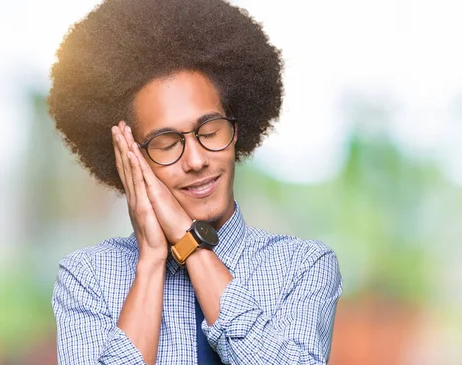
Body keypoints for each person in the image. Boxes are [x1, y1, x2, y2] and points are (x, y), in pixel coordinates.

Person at [49, 0, 342, 364]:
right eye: (168, 144)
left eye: (210, 130)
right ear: (131, 160)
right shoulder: (87, 277)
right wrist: (152, 261)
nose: (197, 160)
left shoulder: (302, 266)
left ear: (236, 133)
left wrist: (189, 242)